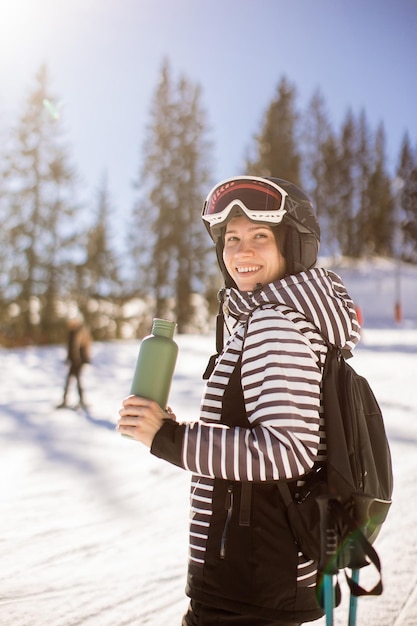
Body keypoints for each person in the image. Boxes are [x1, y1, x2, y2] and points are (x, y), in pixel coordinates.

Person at [117, 176, 361, 625]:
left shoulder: (274, 324)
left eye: (260, 236)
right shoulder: (273, 317)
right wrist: (169, 428)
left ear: (294, 246)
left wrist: (169, 438)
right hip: (261, 572)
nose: (241, 252)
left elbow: (287, 450)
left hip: (253, 578)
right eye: (232, 239)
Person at [57, 313, 91, 409]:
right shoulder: (72, 332)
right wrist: (68, 358)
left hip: (77, 361)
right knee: (72, 380)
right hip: (74, 361)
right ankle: (73, 400)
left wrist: (79, 359)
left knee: (75, 380)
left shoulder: (79, 331)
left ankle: (79, 401)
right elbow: (70, 348)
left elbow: (77, 347)